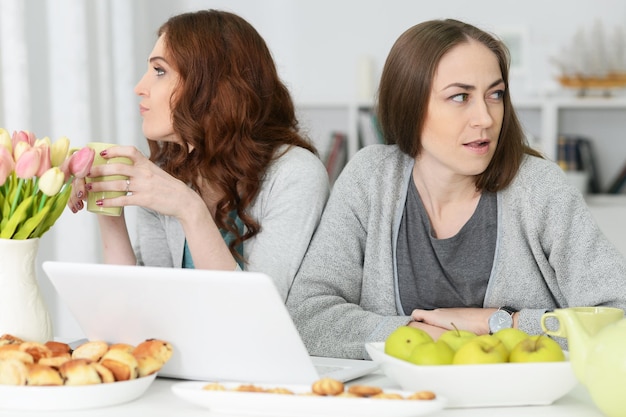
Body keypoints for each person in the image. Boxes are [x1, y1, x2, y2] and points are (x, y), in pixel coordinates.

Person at [286, 18, 626, 359]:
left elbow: (618, 318)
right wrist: (417, 334)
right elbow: (306, 315)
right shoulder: (370, 178)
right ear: (409, 104)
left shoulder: (539, 188)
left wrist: (500, 324)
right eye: (460, 96)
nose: (486, 118)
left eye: (495, 94)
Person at [68, 10, 329, 301]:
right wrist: (107, 204)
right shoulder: (165, 172)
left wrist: (189, 208)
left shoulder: (295, 175)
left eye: (159, 71)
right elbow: (145, 307)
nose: (139, 88)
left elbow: (255, 314)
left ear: (213, 86)